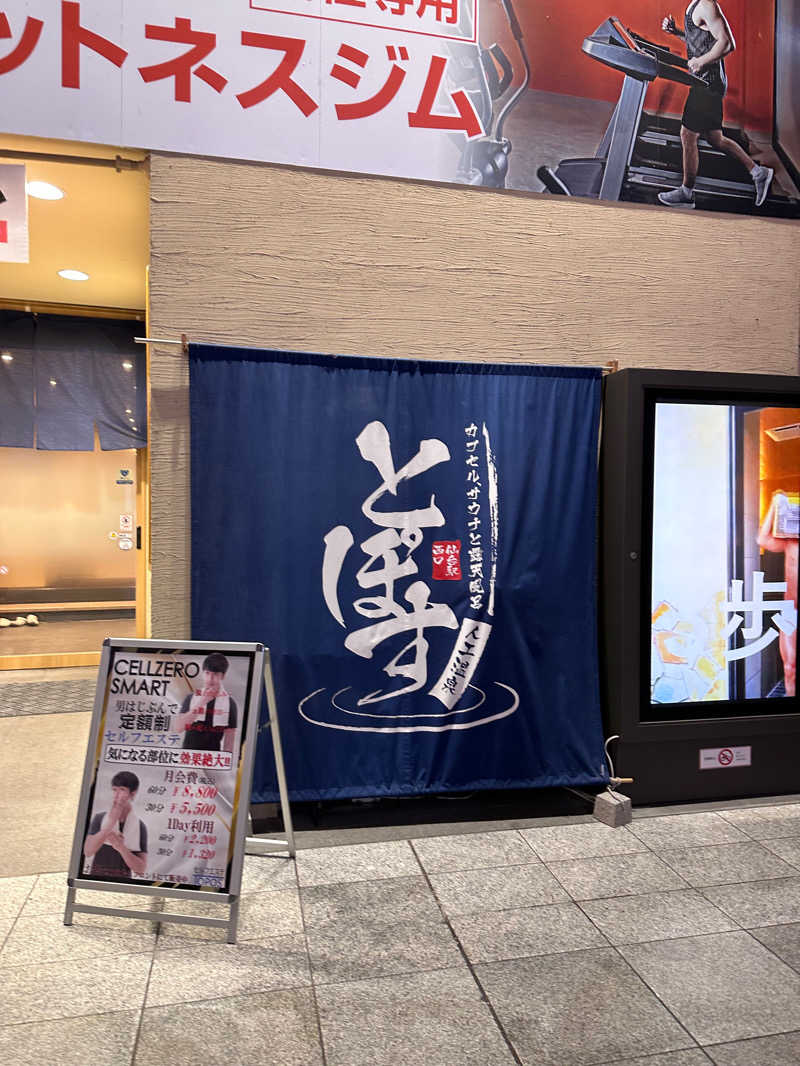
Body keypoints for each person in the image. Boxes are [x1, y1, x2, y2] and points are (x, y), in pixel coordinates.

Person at [658, 2, 773, 209]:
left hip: (707, 83)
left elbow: (727, 43)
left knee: (687, 134)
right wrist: (676, 32)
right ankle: (758, 172)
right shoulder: (696, 4)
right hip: (707, 81)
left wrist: (700, 62)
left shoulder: (706, 5)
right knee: (715, 137)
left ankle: (686, 193)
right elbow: (704, 40)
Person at [757, 493, 798, 697]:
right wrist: (774, 505)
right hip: (792, 611)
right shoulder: (790, 541)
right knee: (790, 669)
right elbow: (762, 539)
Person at [83, 770, 148, 879]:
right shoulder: (100, 818)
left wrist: (121, 847)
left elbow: (141, 869)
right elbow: (88, 851)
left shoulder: (140, 826)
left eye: (122, 789)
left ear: (133, 793)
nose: (117, 794)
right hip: (96, 877)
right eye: (114, 789)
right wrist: (110, 823)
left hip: (123, 881)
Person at [175, 652, 238, 752]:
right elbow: (178, 728)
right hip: (188, 758)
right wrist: (202, 701)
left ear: (223, 676)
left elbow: (229, 739)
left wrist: (226, 764)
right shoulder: (191, 698)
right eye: (207, 673)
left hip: (212, 760)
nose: (210, 678)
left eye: (215, 674)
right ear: (203, 673)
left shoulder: (230, 703)